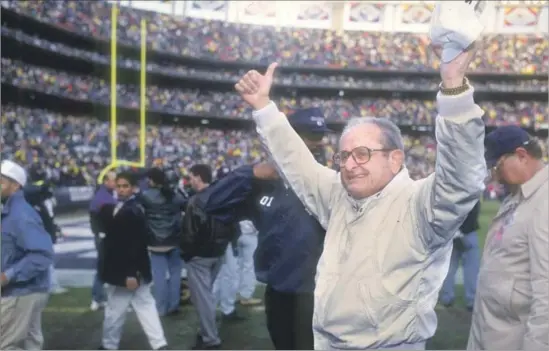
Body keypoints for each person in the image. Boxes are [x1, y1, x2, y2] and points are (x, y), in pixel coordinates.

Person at [234, 47, 486, 349]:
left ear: (395, 159)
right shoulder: (339, 195)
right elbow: (297, 164)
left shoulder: (419, 205)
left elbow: (461, 177)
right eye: (344, 155)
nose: (350, 165)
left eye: (363, 154)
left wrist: (455, 89)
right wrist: (263, 106)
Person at [198, 108, 329, 350]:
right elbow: (210, 203)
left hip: (323, 292)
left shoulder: (330, 179)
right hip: (279, 290)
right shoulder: (264, 182)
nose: (317, 144)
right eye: (310, 137)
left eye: (319, 137)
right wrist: (252, 173)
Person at [467, 126, 548, 350]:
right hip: (493, 334)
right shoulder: (519, 194)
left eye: (497, 166)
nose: (495, 177)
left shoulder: (544, 202)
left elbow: (546, 296)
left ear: (522, 155)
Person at [98, 171, 168, 351]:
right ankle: (159, 344)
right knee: (145, 306)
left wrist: (130, 273)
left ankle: (109, 345)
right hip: (133, 268)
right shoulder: (132, 207)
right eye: (119, 186)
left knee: (116, 310)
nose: (121, 190)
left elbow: (133, 244)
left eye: (125, 186)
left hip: (126, 270)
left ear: (134, 188)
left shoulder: (133, 210)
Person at [181, 164, 237, 350]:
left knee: (202, 298)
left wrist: (187, 254)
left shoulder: (195, 201)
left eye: (191, 177)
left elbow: (189, 233)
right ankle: (207, 330)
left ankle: (210, 338)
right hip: (218, 252)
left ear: (198, 177)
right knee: (206, 295)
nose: (190, 181)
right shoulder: (223, 195)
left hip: (200, 256)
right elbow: (233, 225)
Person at [1, 160, 54, 350]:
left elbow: (42, 255)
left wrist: (7, 276)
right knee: (29, 345)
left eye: (1, 181)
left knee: (5, 345)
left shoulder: (20, 214)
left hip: (21, 292)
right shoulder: (12, 211)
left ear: (16, 185)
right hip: (28, 290)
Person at [140, 167, 186, 317]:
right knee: (175, 274)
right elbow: (187, 205)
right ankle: (174, 305)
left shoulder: (145, 196)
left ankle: (160, 308)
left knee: (159, 276)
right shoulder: (175, 196)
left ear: (153, 180)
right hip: (174, 239)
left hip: (155, 241)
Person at [213, 220, 261, 322]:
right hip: (236, 235)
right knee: (236, 272)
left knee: (222, 274)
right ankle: (241, 298)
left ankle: (213, 309)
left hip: (225, 236)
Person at [24, 179, 67, 295]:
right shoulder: (35, 207)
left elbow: (48, 221)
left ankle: (44, 284)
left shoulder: (39, 205)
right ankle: (51, 285)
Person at [439, 200, 481, 311]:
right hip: (467, 232)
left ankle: (447, 298)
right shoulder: (470, 186)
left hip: (449, 232)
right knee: (471, 266)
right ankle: (471, 300)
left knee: (449, 266)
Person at [88, 170, 117, 311]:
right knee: (103, 267)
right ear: (106, 181)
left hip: (110, 236)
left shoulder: (109, 195)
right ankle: (98, 297)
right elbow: (94, 217)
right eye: (113, 180)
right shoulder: (101, 197)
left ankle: (101, 297)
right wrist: (100, 233)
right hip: (105, 237)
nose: (115, 183)